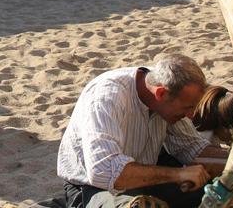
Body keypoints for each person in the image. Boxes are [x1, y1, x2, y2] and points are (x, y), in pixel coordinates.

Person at [58, 54, 212, 208]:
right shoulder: (107, 97)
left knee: (215, 194)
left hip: (145, 180)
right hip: (93, 188)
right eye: (187, 108)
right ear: (161, 94)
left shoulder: (170, 88)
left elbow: (191, 148)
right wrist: (177, 174)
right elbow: (104, 171)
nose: (191, 115)